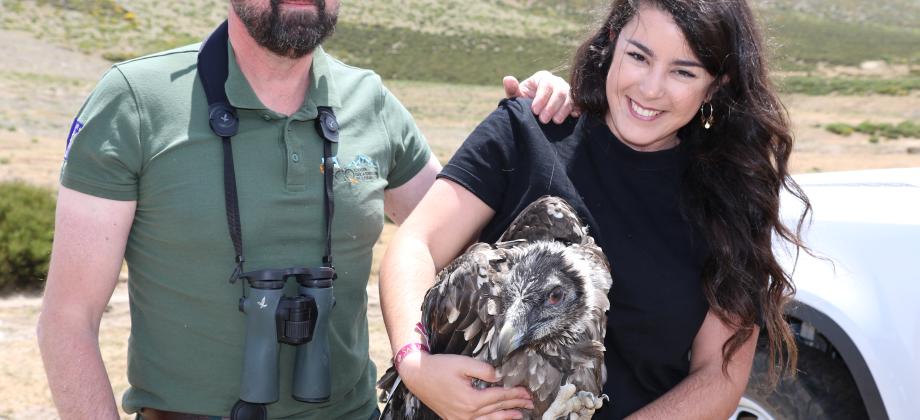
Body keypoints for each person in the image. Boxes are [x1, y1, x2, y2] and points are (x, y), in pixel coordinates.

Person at [35, 0, 575, 418]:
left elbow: (477, 245)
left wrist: (533, 125)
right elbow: (67, 320)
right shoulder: (135, 101)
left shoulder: (371, 102)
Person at [379, 0, 812, 419]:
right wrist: (414, 362)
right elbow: (418, 243)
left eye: (683, 71)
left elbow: (719, 373)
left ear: (717, 83)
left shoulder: (730, 197)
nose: (650, 88)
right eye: (639, 56)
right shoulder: (529, 131)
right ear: (611, 41)